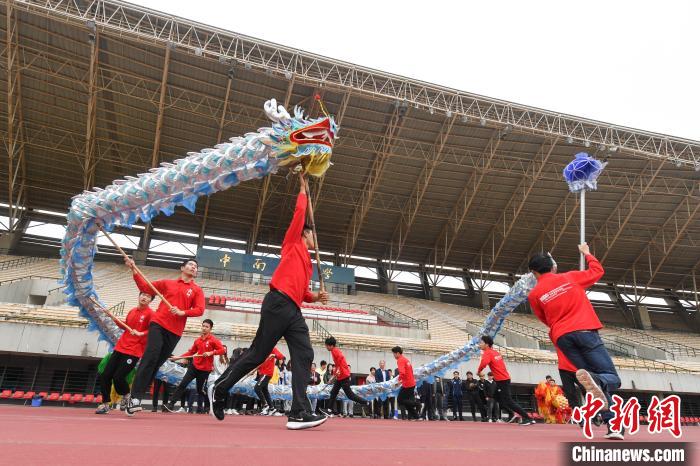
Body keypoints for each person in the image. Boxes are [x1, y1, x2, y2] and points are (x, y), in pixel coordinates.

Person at [211, 173, 329, 430]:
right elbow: (299, 217)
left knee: (305, 353)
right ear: (306, 235)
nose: (314, 241)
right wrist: (302, 191)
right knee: (258, 354)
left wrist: (315, 297)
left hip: (293, 309)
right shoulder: (293, 243)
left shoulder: (307, 262)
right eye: (312, 236)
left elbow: (300, 291)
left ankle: (298, 411)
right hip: (277, 303)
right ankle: (220, 388)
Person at [527, 243, 623, 440]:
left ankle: (613, 425)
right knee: (611, 378)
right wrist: (587, 253)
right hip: (585, 331)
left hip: (562, 337)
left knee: (594, 385)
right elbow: (597, 271)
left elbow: (544, 318)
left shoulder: (534, 294)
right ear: (553, 267)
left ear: (534, 273)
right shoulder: (569, 277)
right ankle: (609, 413)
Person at [122, 257, 204, 415]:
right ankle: (135, 398)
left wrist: (182, 312)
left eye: (196, 266)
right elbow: (145, 286)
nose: (194, 267)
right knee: (150, 357)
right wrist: (133, 269)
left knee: (156, 363)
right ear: (182, 268)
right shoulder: (167, 283)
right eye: (191, 264)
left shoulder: (196, 290)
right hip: (158, 324)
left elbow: (200, 309)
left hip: (175, 332)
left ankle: (135, 396)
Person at [95, 292, 154, 415]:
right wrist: (112, 317)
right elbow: (125, 326)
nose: (144, 297)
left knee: (118, 377)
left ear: (151, 300)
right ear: (138, 296)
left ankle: (127, 396)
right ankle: (105, 404)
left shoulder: (150, 314)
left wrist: (141, 333)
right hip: (120, 347)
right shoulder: (132, 311)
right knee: (105, 375)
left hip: (134, 351)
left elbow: (153, 331)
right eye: (143, 295)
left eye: (148, 296)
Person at [164, 319, 225, 413]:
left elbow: (222, 350)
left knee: (200, 390)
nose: (204, 328)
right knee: (183, 384)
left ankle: (208, 406)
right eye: (203, 326)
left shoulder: (214, 340)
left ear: (210, 329)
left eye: (206, 327)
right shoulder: (198, 340)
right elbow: (191, 352)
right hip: (194, 367)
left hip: (205, 370)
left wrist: (211, 352)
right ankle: (171, 404)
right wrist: (178, 357)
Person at [477, 335, 535, 426]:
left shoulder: (487, 353)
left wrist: (478, 371)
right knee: (496, 397)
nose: (479, 344)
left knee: (508, 401)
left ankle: (528, 418)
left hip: (502, 380)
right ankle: (512, 413)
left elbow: (483, 363)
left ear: (487, 344)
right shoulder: (495, 352)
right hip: (503, 379)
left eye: (481, 343)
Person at [322, 337, 369, 417]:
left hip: (343, 376)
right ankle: (329, 410)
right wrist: (334, 376)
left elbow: (341, 362)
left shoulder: (335, 351)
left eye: (326, 345)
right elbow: (338, 365)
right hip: (340, 376)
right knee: (333, 392)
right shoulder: (334, 351)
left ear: (331, 345)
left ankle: (365, 402)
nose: (326, 347)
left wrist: (334, 375)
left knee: (350, 395)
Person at [254, 347, 285, 416]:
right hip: (262, 373)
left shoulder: (272, 348)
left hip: (267, 373)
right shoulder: (261, 349)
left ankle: (265, 405)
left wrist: (273, 355)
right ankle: (272, 408)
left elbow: (281, 356)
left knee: (257, 388)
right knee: (265, 390)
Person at [391, 346, 420, 420]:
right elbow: (410, 372)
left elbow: (402, 373)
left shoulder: (400, 360)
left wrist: (398, 382)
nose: (393, 355)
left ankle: (416, 404)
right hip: (411, 383)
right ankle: (416, 416)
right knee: (405, 402)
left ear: (397, 353)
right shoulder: (406, 360)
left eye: (394, 354)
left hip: (407, 384)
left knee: (400, 400)